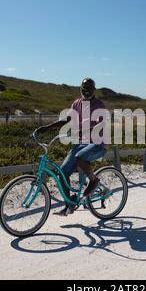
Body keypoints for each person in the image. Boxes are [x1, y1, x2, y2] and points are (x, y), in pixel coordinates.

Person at [36, 77, 107, 216]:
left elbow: (100, 125)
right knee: (62, 173)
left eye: (89, 89)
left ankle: (94, 180)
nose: (86, 92)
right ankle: (69, 204)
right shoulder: (77, 103)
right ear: (80, 89)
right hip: (80, 144)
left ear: (94, 90)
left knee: (80, 157)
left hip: (98, 144)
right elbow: (66, 119)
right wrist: (47, 127)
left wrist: (84, 130)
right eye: (83, 89)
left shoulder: (99, 105)